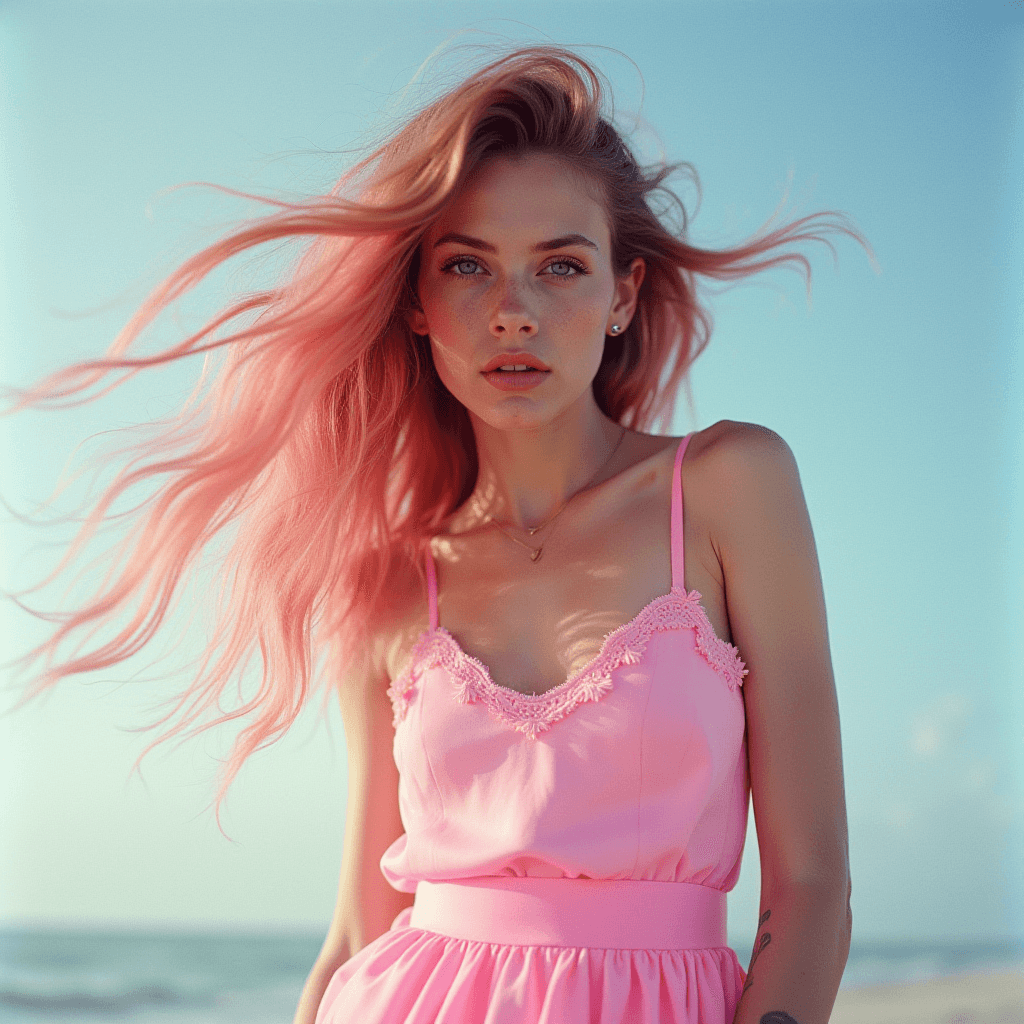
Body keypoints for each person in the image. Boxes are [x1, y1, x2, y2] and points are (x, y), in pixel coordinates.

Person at [5, 44, 874, 1024]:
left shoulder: (727, 487)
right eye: (468, 266)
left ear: (622, 294)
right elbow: (359, 928)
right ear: (417, 302)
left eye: (560, 266)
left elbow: (811, 889)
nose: (513, 312)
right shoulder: (387, 578)